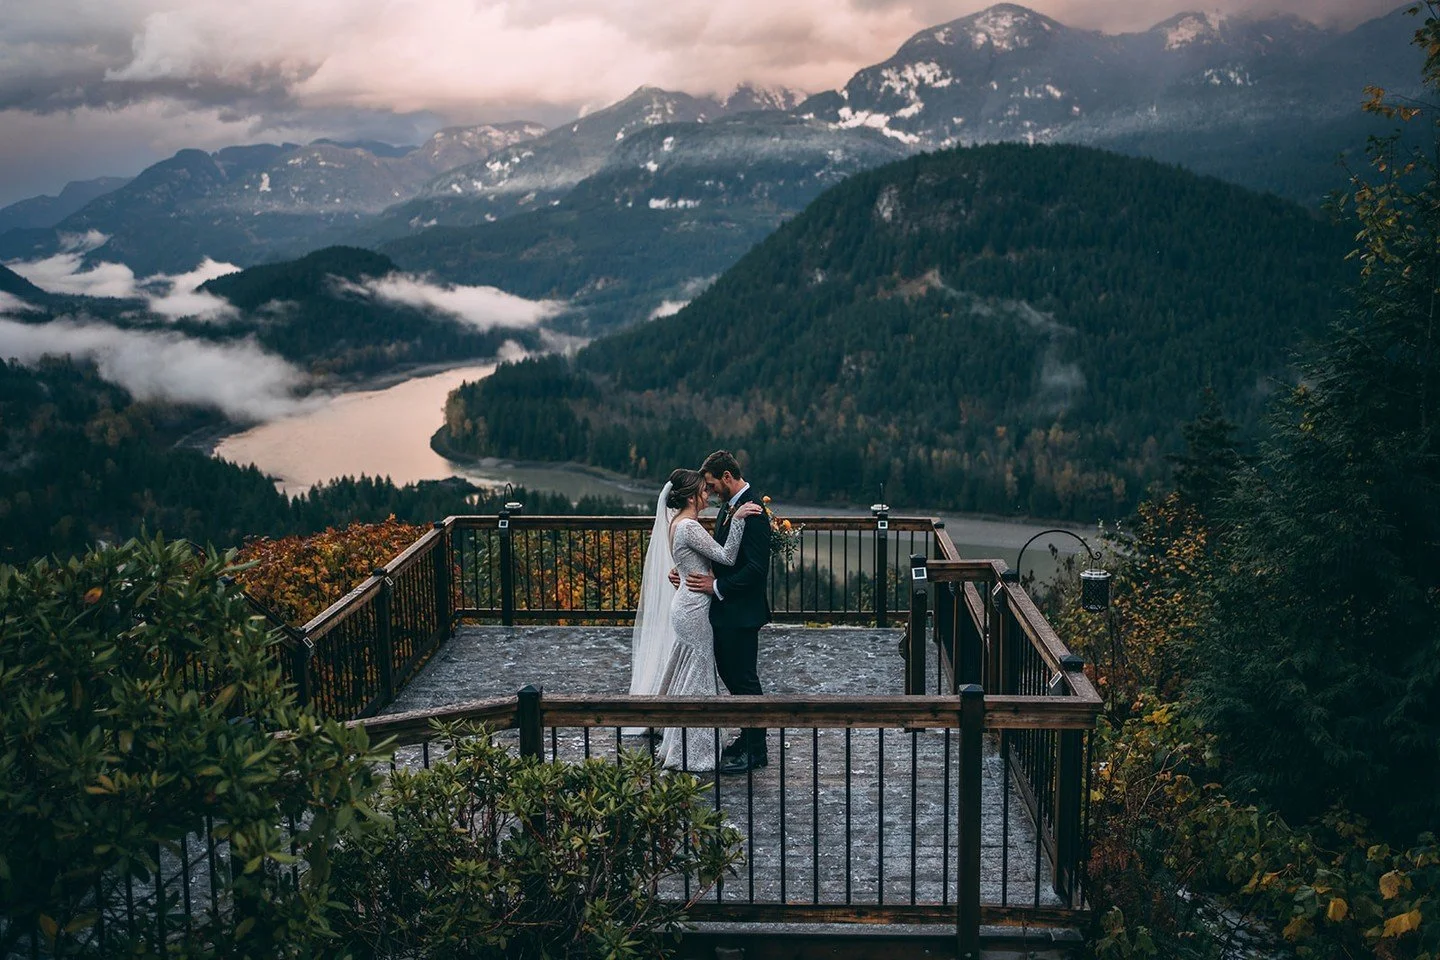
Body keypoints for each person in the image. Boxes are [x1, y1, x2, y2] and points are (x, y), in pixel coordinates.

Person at [651, 468, 762, 771]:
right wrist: (738, 520)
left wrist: (684, 574)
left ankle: (686, 742)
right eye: (703, 490)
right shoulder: (689, 526)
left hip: (687, 603)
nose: (708, 494)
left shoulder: (678, 523)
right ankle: (694, 751)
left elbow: (690, 562)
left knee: (694, 675)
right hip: (694, 608)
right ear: (690, 495)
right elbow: (726, 557)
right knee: (698, 679)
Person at [687, 450, 772, 774]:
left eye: (711, 484)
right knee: (732, 676)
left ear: (726, 476)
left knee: (745, 680)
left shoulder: (753, 511)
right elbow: (724, 556)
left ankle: (757, 749)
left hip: (742, 612)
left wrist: (716, 587)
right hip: (729, 611)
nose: (708, 491)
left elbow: (755, 569)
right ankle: (748, 736)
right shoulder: (732, 507)